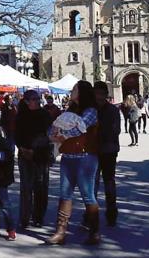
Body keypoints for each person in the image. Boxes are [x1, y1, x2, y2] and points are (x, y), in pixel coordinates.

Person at [46, 81, 101, 245]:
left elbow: (80, 128)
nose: (72, 91)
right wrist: (54, 133)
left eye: (75, 88)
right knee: (64, 194)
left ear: (82, 92)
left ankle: (94, 232)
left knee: (87, 195)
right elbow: (54, 126)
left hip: (85, 158)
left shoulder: (91, 111)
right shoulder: (70, 110)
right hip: (68, 157)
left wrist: (61, 134)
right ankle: (60, 232)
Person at [15, 90, 52, 229]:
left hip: (41, 155)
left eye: (38, 98)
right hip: (25, 155)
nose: (37, 101)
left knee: (41, 186)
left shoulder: (45, 114)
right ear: (26, 101)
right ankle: (24, 217)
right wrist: (23, 148)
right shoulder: (21, 116)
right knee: (26, 187)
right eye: (34, 99)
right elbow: (16, 135)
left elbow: (49, 134)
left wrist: (36, 149)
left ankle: (38, 217)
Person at [93, 81, 121, 226]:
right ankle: (91, 213)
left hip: (108, 150)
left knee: (108, 181)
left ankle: (111, 212)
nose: (98, 97)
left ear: (105, 95)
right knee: (94, 183)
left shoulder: (112, 110)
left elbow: (116, 130)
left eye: (100, 94)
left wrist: (99, 132)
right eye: (96, 94)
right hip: (95, 151)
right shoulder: (90, 109)